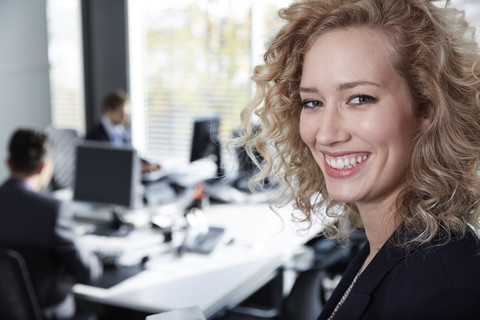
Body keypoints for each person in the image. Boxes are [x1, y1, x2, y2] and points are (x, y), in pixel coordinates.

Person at [238, 0, 480, 319]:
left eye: (359, 98)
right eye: (313, 103)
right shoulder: (388, 244)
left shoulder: (445, 297)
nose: (326, 134)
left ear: (427, 109)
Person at [0, 128, 103, 319]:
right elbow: (87, 272)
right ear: (44, 166)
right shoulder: (52, 210)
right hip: (50, 314)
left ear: (8, 162)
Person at [86, 89, 162, 173]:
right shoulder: (94, 137)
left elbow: (131, 154)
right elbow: (105, 166)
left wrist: (148, 164)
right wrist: (135, 169)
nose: (124, 118)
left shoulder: (122, 131)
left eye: (126, 114)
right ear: (108, 111)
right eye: (121, 113)